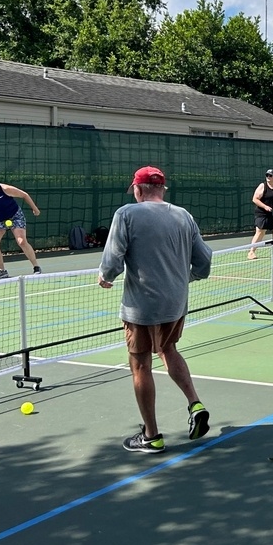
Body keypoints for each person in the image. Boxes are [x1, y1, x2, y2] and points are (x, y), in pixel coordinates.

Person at [98, 166, 213, 454]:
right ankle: (195, 404)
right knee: (169, 349)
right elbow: (204, 262)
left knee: (140, 364)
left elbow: (112, 259)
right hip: (175, 303)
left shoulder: (126, 214)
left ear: (138, 190)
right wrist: (184, 278)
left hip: (142, 305)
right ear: (162, 189)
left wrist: (106, 277)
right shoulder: (183, 215)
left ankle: (151, 436)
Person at [248, 168, 273, 259]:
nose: (268, 177)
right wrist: (265, 207)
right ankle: (251, 252)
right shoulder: (262, 186)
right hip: (262, 213)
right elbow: (255, 199)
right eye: (267, 175)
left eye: (270, 175)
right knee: (260, 231)